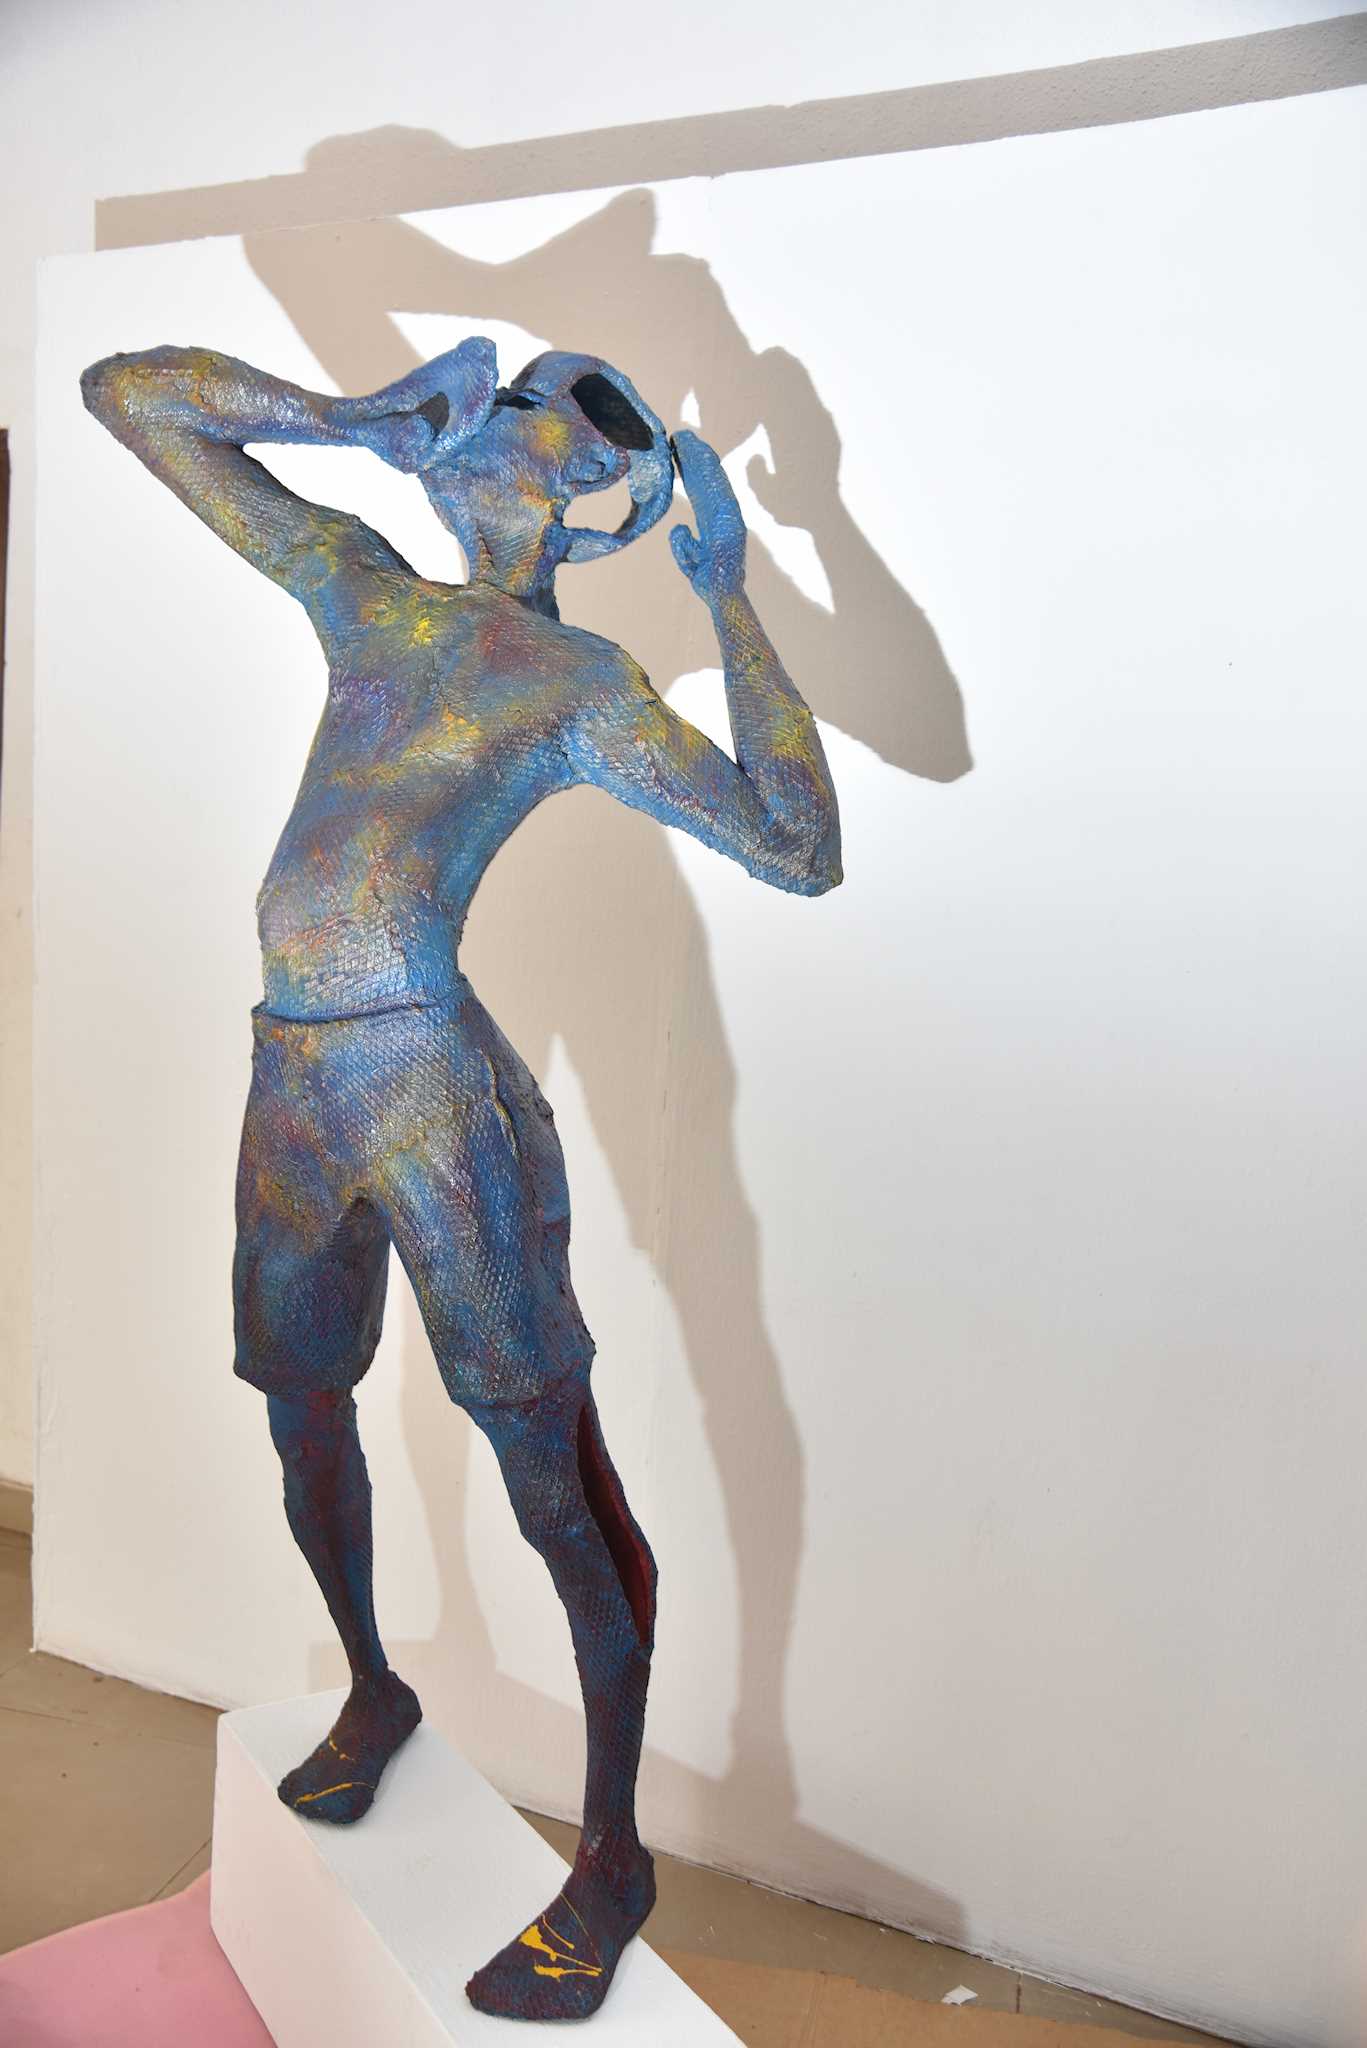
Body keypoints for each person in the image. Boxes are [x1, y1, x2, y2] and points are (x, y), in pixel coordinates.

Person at [81, 334, 842, 2022]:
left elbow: (799, 847)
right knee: (299, 1405)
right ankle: (374, 1689)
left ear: (588, 497)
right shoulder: (362, 590)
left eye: (537, 412)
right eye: (490, 400)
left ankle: (613, 1856)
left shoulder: (571, 686)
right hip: (297, 1079)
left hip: (431, 1091)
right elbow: (128, 398)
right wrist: (346, 419)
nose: (495, 414)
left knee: (540, 1464)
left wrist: (730, 599)